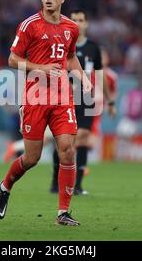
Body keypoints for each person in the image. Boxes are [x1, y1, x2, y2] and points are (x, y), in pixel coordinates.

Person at [0, 0, 92, 226]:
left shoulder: (71, 28)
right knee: (32, 158)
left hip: (62, 97)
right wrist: (41, 68)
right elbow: (12, 60)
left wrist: (84, 79)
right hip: (35, 97)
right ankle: (5, 187)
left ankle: (63, 213)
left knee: (68, 150)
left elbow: (70, 58)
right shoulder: (29, 26)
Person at [49, 10, 116, 195]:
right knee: (64, 142)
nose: (77, 23)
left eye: (81, 20)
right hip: (65, 98)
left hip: (86, 98)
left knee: (84, 137)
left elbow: (101, 77)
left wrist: (110, 101)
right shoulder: (61, 43)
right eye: (74, 20)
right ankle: (56, 181)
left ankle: (77, 185)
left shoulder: (93, 48)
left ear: (86, 24)